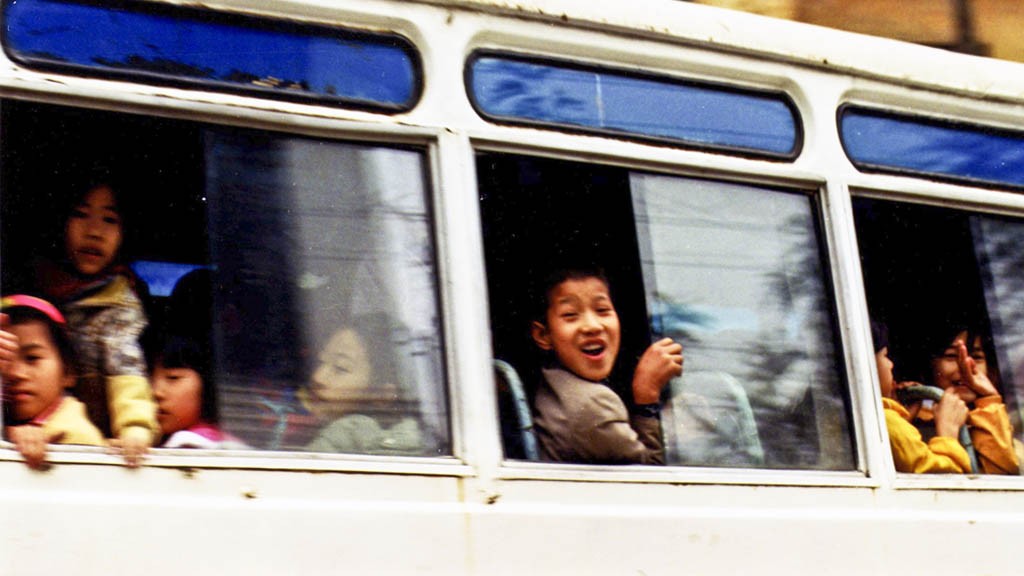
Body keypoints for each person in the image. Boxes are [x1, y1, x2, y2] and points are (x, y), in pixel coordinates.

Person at [31, 177, 158, 466]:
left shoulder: (119, 303)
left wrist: (135, 426)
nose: (94, 232)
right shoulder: (33, 289)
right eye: (80, 214)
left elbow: (126, 366)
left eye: (109, 219)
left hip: (95, 448)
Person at [529, 268, 683, 464]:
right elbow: (652, 477)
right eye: (570, 315)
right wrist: (647, 395)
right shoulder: (593, 404)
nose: (592, 326)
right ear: (543, 335)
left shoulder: (554, 385)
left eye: (602, 310)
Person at [1, 295, 105, 469]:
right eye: (3, 361)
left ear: (68, 372)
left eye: (32, 358)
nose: (15, 373)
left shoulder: (76, 435)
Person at [903, 320, 1019, 475]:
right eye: (951, 356)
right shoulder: (910, 425)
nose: (965, 367)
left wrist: (989, 402)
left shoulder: (997, 420)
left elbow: (1002, 481)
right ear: (929, 366)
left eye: (976, 357)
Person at [302, 316, 425, 456]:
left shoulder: (346, 436)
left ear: (382, 395)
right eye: (321, 361)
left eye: (340, 368)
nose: (317, 377)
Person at [871, 320, 970, 473]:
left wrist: (903, 418)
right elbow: (939, 478)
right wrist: (948, 432)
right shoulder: (885, 419)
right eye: (885, 356)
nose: (891, 364)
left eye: (976, 356)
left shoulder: (887, 419)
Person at [150, 334, 244, 449]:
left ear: (206, 385)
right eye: (149, 380)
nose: (156, 392)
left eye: (173, 377)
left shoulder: (192, 443)